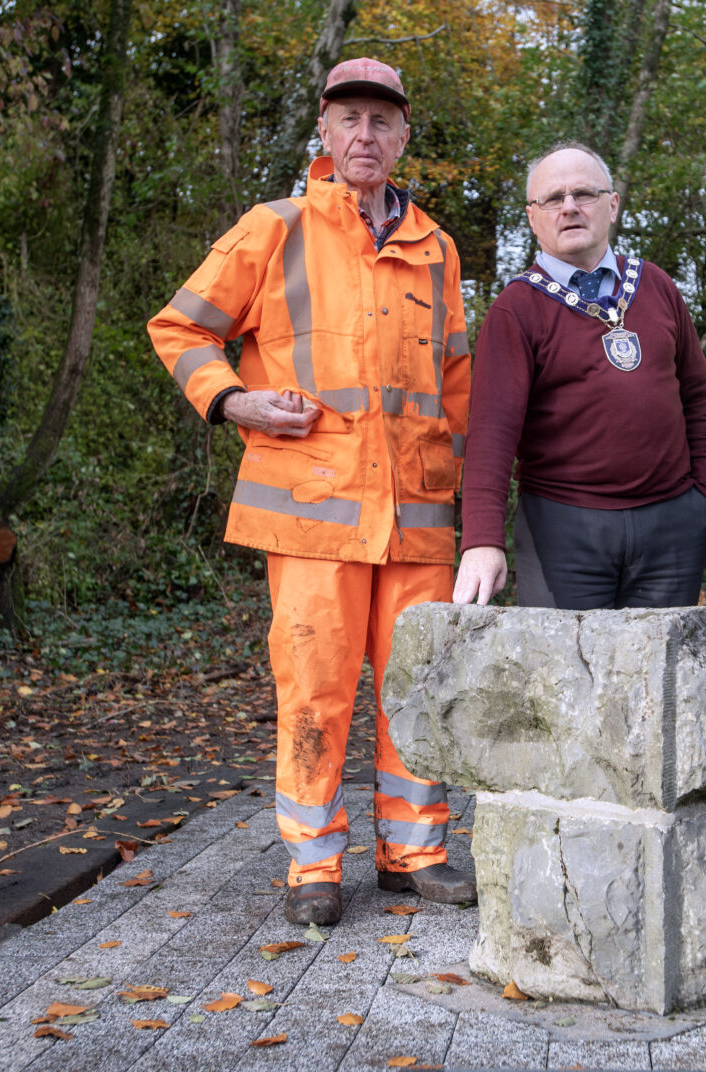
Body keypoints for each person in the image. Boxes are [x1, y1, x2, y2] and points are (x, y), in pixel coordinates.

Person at [148, 57, 476, 925]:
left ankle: (415, 851)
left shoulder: (436, 247)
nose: (364, 135)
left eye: (381, 121)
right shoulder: (275, 226)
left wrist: (480, 510)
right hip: (311, 517)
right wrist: (232, 398)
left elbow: (457, 388)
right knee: (315, 689)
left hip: (418, 518)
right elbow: (180, 325)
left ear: (404, 137)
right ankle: (314, 865)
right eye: (349, 120)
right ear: (324, 135)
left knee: (418, 689)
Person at [453, 142, 706, 609]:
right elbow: (491, 434)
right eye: (553, 199)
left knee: (658, 679)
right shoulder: (516, 309)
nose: (570, 207)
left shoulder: (656, 286)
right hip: (564, 531)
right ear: (533, 217)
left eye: (584, 193)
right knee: (565, 679)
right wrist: (481, 539)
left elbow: (698, 398)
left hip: (672, 528)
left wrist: (705, 497)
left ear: (613, 205)